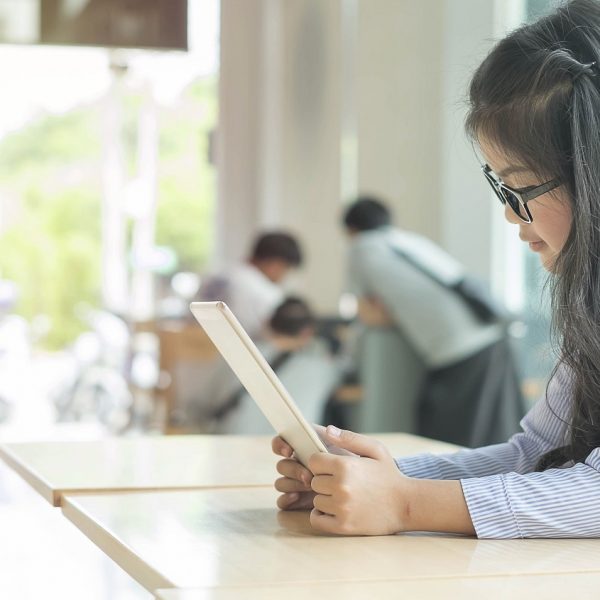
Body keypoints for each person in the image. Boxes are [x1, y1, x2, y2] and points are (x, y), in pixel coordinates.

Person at [272, 0, 600, 539]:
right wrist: (371, 480)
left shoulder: (367, 252)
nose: (510, 213)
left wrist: (406, 503)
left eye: (522, 188)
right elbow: (537, 452)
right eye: (503, 188)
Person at [343, 197, 523, 446]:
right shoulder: (408, 241)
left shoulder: (361, 248)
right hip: (489, 332)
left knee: (446, 433)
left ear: (351, 229)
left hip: (456, 346)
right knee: (494, 426)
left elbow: (370, 315)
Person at [194, 297, 341, 434]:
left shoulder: (233, 353)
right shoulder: (323, 368)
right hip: (289, 452)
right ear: (308, 333)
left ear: (267, 323)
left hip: (231, 444)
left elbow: (201, 403)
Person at [198, 231, 303, 339]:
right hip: (236, 351)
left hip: (198, 347)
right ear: (275, 263)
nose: (284, 277)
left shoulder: (219, 274)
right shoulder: (265, 291)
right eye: (286, 269)